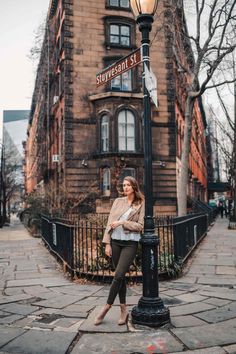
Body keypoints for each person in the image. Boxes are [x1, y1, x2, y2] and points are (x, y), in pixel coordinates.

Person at [94, 176, 144, 326]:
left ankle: (106, 307)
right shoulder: (117, 201)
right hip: (115, 242)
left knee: (119, 274)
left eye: (128, 185)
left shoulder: (141, 203)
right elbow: (110, 223)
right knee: (119, 277)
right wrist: (107, 243)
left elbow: (140, 226)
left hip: (130, 243)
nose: (125, 188)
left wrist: (123, 222)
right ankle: (123, 309)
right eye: (124, 185)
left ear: (134, 186)